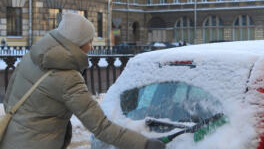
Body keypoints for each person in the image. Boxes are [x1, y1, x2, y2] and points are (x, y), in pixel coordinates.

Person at [0, 13, 165, 149]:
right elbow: (101, 127)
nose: (92, 47)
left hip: (11, 140)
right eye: (89, 41)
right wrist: (144, 144)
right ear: (77, 43)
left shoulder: (31, 57)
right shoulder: (68, 78)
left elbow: (9, 101)